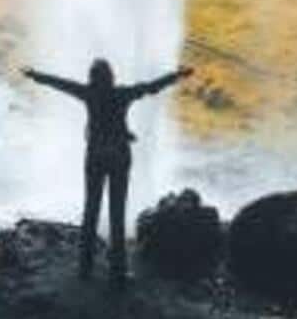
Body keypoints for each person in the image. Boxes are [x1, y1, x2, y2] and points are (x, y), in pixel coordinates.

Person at [21, 58, 192, 286]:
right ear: (111, 76)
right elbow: (151, 87)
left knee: (91, 210)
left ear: (92, 78)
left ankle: (85, 268)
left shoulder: (88, 93)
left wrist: (35, 75)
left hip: (95, 156)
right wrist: (177, 75)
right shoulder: (123, 94)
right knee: (117, 212)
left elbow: (60, 84)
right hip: (119, 156)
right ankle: (117, 272)